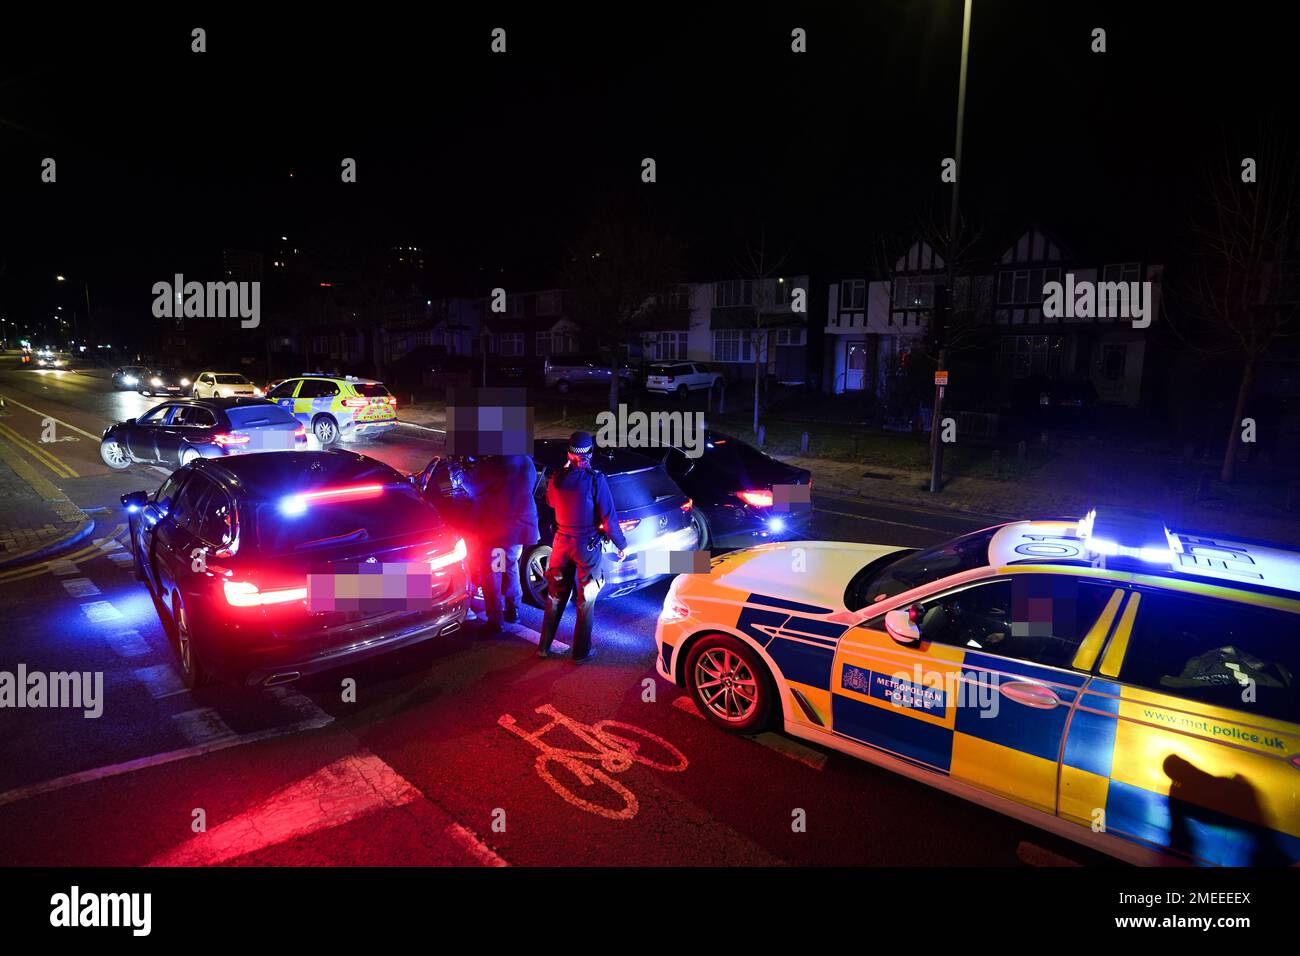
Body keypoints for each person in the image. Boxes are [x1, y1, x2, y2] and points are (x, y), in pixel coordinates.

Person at [537, 431, 626, 663]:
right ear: (590, 454)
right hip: (586, 545)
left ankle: (544, 647)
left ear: (569, 453)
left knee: (555, 595)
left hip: (560, 544)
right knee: (586, 598)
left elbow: (551, 502)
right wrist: (621, 544)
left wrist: (566, 469)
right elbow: (608, 517)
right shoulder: (596, 479)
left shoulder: (557, 477)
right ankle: (581, 652)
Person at [461, 452, 541, 634]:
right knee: (510, 566)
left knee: (493, 571)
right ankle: (513, 609)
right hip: (520, 528)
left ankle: (495, 620)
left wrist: (464, 471)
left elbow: (471, 486)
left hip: (500, 529)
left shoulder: (495, 462)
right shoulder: (526, 460)